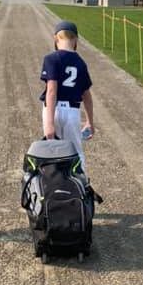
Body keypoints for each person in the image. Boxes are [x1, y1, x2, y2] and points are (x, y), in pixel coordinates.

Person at [40, 20, 95, 174]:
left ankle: (53, 184)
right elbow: (87, 96)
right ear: (76, 40)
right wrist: (90, 122)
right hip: (72, 112)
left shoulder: (51, 59)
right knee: (76, 152)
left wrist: (49, 123)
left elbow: (51, 91)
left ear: (56, 39)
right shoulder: (80, 63)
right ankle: (80, 184)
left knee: (52, 152)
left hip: (53, 111)